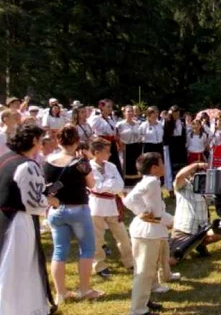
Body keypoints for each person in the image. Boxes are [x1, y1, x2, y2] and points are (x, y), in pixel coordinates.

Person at [0, 124, 59, 314]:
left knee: (9, 263)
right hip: (18, 221)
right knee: (20, 265)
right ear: (34, 140)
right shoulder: (27, 165)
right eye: (41, 139)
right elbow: (32, 202)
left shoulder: (5, 159)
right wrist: (51, 200)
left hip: (5, 217)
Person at [44, 126, 103, 301]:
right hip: (78, 209)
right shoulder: (80, 163)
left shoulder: (48, 160)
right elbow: (92, 185)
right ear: (77, 142)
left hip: (56, 210)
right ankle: (84, 289)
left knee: (59, 251)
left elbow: (47, 187)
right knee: (87, 250)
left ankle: (60, 293)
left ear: (58, 141)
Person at [123, 152, 173, 315]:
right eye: (161, 163)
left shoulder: (152, 181)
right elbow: (130, 199)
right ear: (154, 168)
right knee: (144, 271)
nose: (164, 166)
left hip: (151, 230)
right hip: (147, 231)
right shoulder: (151, 181)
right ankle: (138, 310)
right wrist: (143, 212)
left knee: (148, 269)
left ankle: (145, 300)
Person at [88, 138, 134, 278]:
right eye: (106, 152)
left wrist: (108, 184)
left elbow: (119, 185)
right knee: (97, 238)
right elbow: (96, 187)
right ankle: (99, 265)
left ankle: (130, 261)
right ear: (96, 152)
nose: (109, 154)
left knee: (123, 236)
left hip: (112, 205)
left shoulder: (111, 166)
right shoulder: (89, 167)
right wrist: (110, 182)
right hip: (96, 206)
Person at [170, 162, 221, 263]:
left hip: (201, 229)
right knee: (173, 260)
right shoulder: (181, 186)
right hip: (184, 230)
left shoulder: (206, 188)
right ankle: (187, 245)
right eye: (196, 174)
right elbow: (179, 176)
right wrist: (197, 165)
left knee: (220, 232)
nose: (200, 177)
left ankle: (199, 244)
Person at [90, 99, 123, 177]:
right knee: (104, 162)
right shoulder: (97, 118)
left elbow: (113, 131)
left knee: (114, 161)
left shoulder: (110, 118)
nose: (110, 108)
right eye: (108, 106)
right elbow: (90, 130)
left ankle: (115, 181)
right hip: (102, 144)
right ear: (102, 107)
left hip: (111, 143)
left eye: (111, 107)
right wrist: (97, 139)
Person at [117, 105, 143, 186]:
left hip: (136, 147)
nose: (130, 113)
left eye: (132, 111)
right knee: (126, 166)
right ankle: (127, 184)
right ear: (124, 113)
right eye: (128, 111)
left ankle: (137, 183)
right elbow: (116, 136)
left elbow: (141, 135)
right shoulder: (120, 124)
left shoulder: (137, 124)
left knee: (137, 165)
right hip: (125, 147)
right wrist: (120, 144)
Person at [164, 105, 188, 179]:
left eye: (178, 113)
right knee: (173, 164)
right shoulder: (168, 122)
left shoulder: (182, 121)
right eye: (175, 113)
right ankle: (174, 179)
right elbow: (166, 135)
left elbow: (184, 134)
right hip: (172, 145)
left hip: (181, 144)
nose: (176, 115)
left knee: (181, 163)